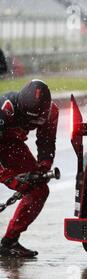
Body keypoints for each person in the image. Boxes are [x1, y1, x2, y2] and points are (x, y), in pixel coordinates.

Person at [0, 80, 59, 258]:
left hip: (13, 145)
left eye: (37, 121)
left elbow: (47, 142)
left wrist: (43, 167)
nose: (32, 125)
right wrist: (8, 177)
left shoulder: (51, 112)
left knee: (38, 190)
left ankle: (9, 242)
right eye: (28, 120)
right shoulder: (4, 109)